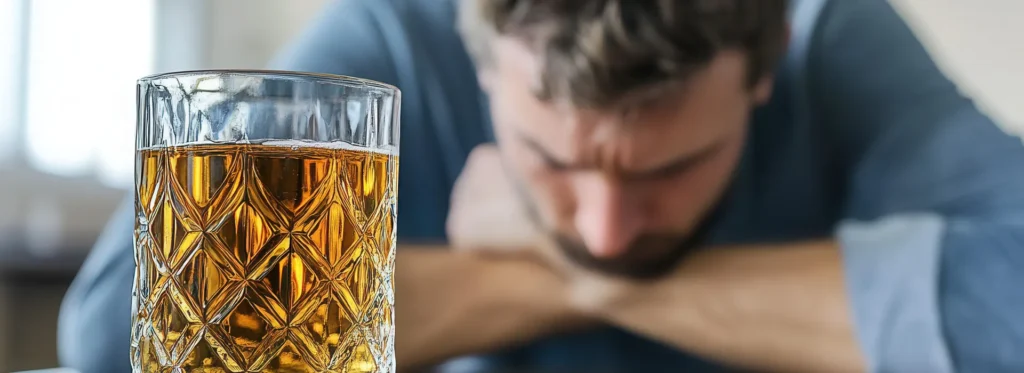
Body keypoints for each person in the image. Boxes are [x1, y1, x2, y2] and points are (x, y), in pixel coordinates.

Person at [59, 0, 1024, 372]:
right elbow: (126, 337)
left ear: (765, 68)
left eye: (672, 166)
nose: (606, 230)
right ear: (480, 63)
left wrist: (568, 275)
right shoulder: (398, 39)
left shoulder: (830, 41)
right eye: (554, 163)